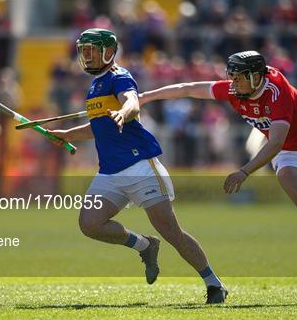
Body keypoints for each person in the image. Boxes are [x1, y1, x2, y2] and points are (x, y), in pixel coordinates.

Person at [138, 50, 297, 290]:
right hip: (288, 154)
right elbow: (188, 88)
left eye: (238, 78)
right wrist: (144, 97)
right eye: (232, 77)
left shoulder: (276, 91)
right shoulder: (235, 89)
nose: (233, 83)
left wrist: (244, 171)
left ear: (256, 77)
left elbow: (275, 141)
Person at [47, 28, 228, 304]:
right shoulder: (95, 85)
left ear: (108, 52)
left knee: (172, 232)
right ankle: (144, 245)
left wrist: (123, 111)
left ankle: (213, 282)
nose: (86, 56)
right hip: (109, 172)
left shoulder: (119, 77)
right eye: (83, 51)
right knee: (90, 224)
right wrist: (70, 134)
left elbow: (132, 102)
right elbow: (99, 127)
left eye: (91, 50)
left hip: (140, 166)